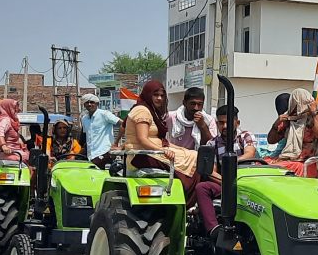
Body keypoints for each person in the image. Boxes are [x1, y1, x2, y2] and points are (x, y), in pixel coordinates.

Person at [124, 81, 224, 237]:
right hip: (143, 155)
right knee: (197, 160)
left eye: (162, 95)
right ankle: (225, 187)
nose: (159, 99)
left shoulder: (154, 112)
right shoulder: (144, 111)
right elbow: (143, 139)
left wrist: (199, 128)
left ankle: (219, 190)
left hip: (155, 150)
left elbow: (210, 143)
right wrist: (163, 150)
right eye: (155, 95)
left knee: (198, 156)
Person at [266, 89, 318, 177]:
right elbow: (271, 140)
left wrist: (314, 112)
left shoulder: (312, 119)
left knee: (272, 170)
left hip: (305, 164)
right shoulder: (289, 119)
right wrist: (276, 124)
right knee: (260, 165)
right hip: (288, 161)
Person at [80, 93, 123, 167]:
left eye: (92, 102)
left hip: (104, 152)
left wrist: (116, 142)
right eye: (87, 102)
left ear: (97, 104)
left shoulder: (104, 114)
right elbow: (87, 137)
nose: (89, 104)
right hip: (90, 155)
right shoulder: (84, 118)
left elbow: (123, 124)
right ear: (84, 105)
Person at [0, 99, 29, 164]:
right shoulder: (5, 120)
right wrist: (4, 146)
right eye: (15, 107)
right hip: (9, 153)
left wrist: (22, 144)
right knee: (28, 159)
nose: (18, 110)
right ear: (8, 108)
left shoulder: (11, 121)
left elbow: (15, 136)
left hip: (14, 151)